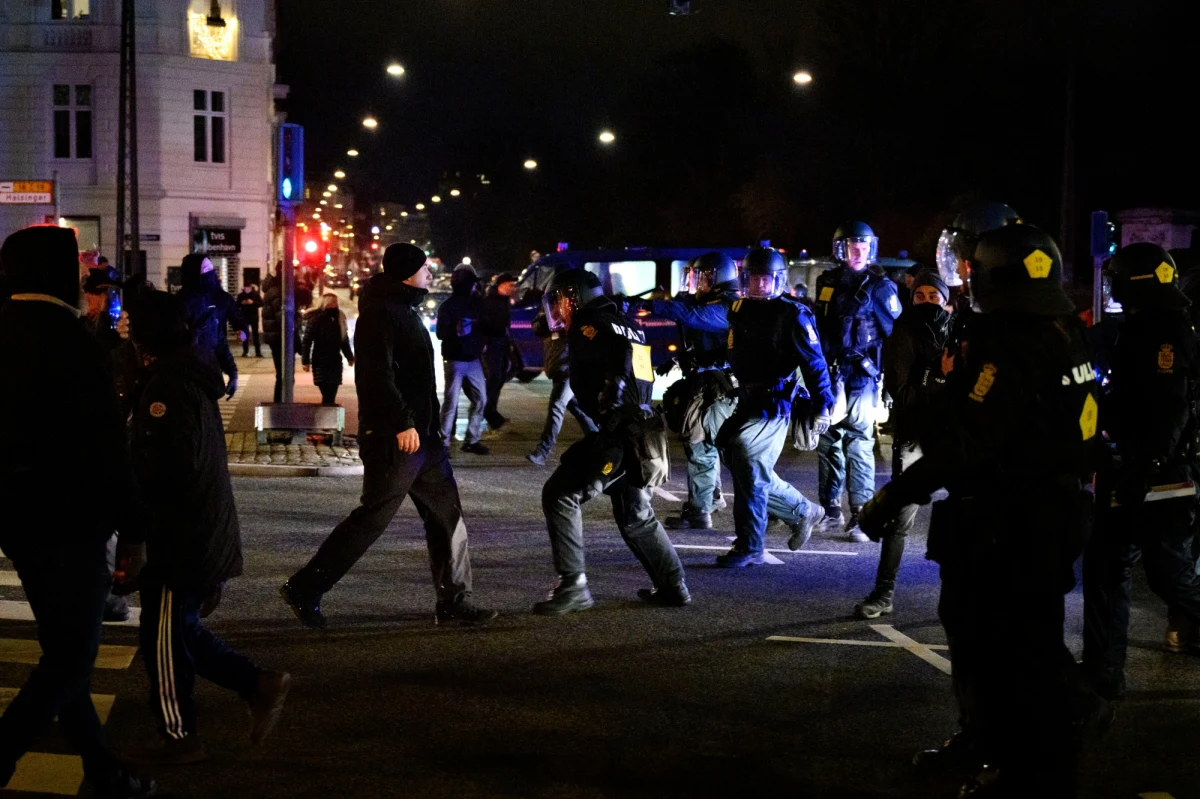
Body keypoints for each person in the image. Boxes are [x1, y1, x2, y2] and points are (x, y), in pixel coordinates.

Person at [858, 224, 1104, 797]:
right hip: (1037, 511)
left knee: (1013, 646)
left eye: (973, 271)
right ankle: (990, 740)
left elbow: (975, 436)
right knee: (988, 635)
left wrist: (895, 494)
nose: (964, 279)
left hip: (1015, 518)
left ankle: (1039, 759)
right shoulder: (1061, 328)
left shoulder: (1013, 337)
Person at [0, 225, 156, 798]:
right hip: (72, 522)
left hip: (18, 521)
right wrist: (135, 529)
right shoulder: (74, 345)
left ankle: (104, 769)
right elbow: (107, 451)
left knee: (63, 654)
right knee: (69, 662)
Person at [279, 244, 496, 628]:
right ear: (406, 273)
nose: (429, 273)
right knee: (371, 519)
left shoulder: (404, 308)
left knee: (447, 517)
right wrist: (401, 423)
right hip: (396, 437)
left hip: (425, 440)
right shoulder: (380, 313)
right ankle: (305, 587)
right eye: (424, 267)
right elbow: (376, 376)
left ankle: (454, 601)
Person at [123, 290, 291, 765]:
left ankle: (179, 735)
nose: (126, 333)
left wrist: (137, 521)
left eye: (131, 325)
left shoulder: (168, 387)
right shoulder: (182, 376)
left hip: (181, 537)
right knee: (179, 630)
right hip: (191, 531)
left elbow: (171, 467)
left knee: (163, 641)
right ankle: (256, 684)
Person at [1081, 244, 1200, 702]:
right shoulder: (1141, 326)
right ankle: (1102, 670)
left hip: (1160, 475)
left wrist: (1147, 467)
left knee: (1171, 575)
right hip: (1129, 466)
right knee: (1106, 567)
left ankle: (1103, 668)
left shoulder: (1165, 331)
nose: (1111, 287)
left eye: (1118, 278)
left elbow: (1168, 407)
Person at [534, 269, 691, 614]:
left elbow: (618, 355)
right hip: (644, 430)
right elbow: (639, 368)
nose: (557, 310)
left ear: (576, 297)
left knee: (560, 494)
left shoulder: (588, 326)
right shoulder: (625, 322)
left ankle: (573, 586)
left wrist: (614, 390)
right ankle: (672, 585)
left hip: (620, 432)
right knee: (636, 514)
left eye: (560, 301)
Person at [715, 247, 833, 567]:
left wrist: (824, 403)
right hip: (748, 398)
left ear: (778, 280)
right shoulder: (739, 308)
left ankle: (751, 544)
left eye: (765, 280)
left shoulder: (793, 314)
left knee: (748, 460)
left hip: (774, 402)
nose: (758, 286)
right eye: (752, 280)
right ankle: (802, 511)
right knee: (738, 457)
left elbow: (815, 363)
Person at [853, 270, 952, 619]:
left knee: (972, 516)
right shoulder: (903, 334)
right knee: (901, 518)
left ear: (946, 300)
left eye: (933, 295)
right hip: (915, 437)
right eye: (920, 296)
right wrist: (939, 376)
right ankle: (883, 592)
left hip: (956, 438)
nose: (927, 301)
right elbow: (904, 393)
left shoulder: (958, 333)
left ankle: (967, 598)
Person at [629, 252, 740, 530]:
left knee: (704, 447)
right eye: (696, 277)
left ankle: (702, 510)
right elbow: (700, 338)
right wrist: (677, 360)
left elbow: (692, 316)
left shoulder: (724, 307)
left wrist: (648, 305)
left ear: (719, 280)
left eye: (703, 277)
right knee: (709, 448)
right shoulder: (704, 304)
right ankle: (707, 500)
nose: (698, 283)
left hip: (720, 389)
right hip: (706, 384)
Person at [813, 221, 902, 541]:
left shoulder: (881, 288)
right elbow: (819, 330)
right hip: (831, 374)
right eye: (853, 247)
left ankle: (861, 514)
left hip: (862, 376)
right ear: (841, 250)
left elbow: (894, 339)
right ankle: (829, 510)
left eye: (864, 247)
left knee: (859, 442)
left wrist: (893, 383)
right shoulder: (828, 282)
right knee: (827, 442)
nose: (859, 253)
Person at [526, 305, 596, 466]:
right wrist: (550, 317)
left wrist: (572, 323)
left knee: (557, 405)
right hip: (557, 368)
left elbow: (591, 334)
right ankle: (599, 441)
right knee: (577, 408)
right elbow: (537, 328)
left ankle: (543, 451)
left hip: (570, 369)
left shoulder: (578, 310)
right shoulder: (550, 309)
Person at [437, 264, 490, 454]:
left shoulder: (475, 304)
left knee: (481, 399)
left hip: (471, 358)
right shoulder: (450, 306)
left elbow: (486, 325)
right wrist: (456, 330)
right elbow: (441, 333)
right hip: (456, 359)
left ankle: (471, 440)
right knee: (451, 402)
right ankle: (443, 443)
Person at [177, 253, 246, 400]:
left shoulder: (217, 298)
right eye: (205, 269)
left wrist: (232, 372)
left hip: (208, 374)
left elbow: (218, 340)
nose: (210, 273)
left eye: (211, 269)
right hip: (187, 379)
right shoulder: (181, 304)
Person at [301, 293, 355, 406]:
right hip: (321, 360)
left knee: (331, 394)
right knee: (327, 392)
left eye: (336, 301)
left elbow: (344, 340)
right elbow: (307, 340)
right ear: (325, 302)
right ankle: (327, 417)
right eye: (333, 301)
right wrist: (306, 361)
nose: (336, 303)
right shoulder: (317, 318)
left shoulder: (339, 317)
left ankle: (328, 418)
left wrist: (349, 357)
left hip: (335, 360)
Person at [481, 272, 518, 429]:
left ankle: (491, 410)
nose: (513, 288)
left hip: (502, 344)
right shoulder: (490, 302)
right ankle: (488, 411)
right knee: (494, 378)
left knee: (500, 377)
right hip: (492, 345)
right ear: (501, 285)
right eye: (510, 285)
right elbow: (486, 324)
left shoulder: (504, 301)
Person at [238, 283, 264, 357]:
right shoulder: (241, 295)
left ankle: (258, 352)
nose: (247, 289)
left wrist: (253, 303)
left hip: (253, 316)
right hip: (244, 316)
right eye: (246, 288)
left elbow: (262, 303)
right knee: (245, 334)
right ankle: (245, 351)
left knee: (255, 334)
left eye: (248, 288)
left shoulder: (255, 294)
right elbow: (237, 304)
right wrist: (242, 303)